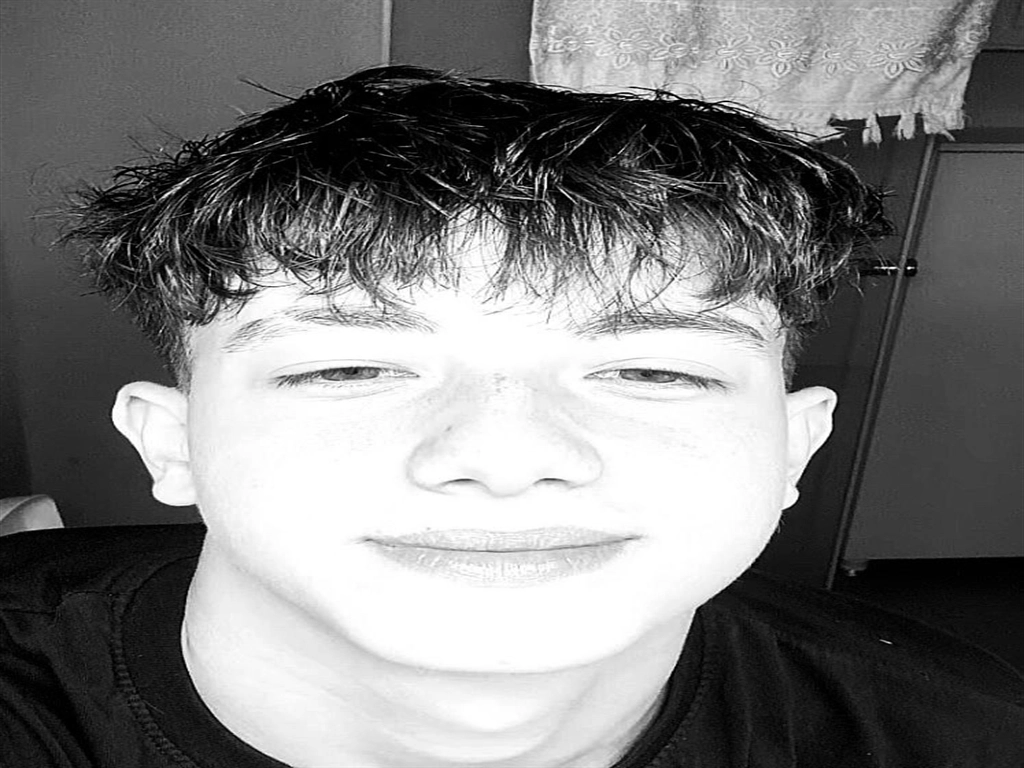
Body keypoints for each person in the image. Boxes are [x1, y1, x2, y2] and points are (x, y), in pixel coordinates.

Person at [1, 65, 1020, 768]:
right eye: (348, 366)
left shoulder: (969, 734)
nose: (505, 457)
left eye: (653, 370)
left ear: (793, 447)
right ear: (170, 443)